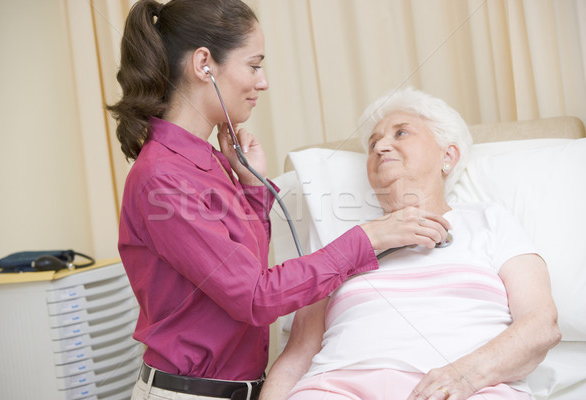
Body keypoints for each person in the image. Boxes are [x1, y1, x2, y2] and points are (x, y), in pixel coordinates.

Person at [107, 2, 451, 399]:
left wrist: (252, 186)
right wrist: (368, 237)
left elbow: (242, 269)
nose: (263, 81)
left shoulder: (208, 160)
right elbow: (256, 297)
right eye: (254, 65)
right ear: (204, 64)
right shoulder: (162, 178)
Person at [260, 87, 562, 400]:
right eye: (373, 143)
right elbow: (296, 359)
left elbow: (541, 324)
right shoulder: (343, 244)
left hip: (467, 388)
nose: (380, 147)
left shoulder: (489, 220)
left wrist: (464, 376)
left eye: (401, 133)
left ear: (448, 155)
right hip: (336, 389)